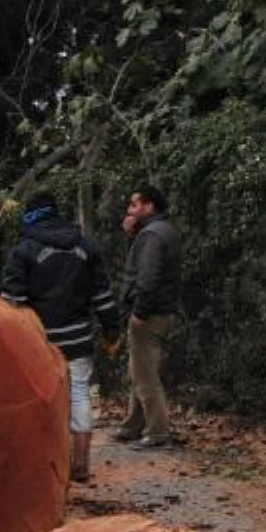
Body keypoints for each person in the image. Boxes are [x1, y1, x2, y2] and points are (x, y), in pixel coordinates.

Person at [0, 193, 121, 483]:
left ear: (30, 217)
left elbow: (11, 302)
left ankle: (42, 465)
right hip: (78, 339)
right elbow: (102, 296)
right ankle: (80, 463)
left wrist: (7, 343)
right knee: (79, 393)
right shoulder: (85, 247)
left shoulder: (24, 251)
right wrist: (112, 330)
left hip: (37, 342)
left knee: (37, 398)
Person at [115, 184, 182, 449]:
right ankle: (133, 424)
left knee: (145, 375)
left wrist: (139, 311)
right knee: (139, 369)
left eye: (134, 205)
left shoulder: (153, 235)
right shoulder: (160, 231)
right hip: (160, 309)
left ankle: (157, 432)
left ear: (148, 206)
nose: (129, 210)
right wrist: (133, 235)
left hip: (150, 313)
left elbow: (148, 276)